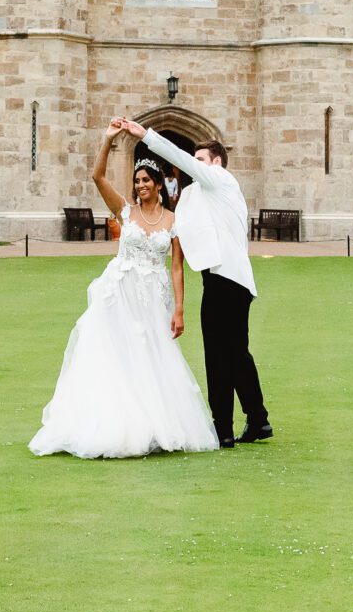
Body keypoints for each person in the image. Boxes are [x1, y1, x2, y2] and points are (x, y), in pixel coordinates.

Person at [28, 121, 220, 459]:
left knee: (149, 356)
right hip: (119, 292)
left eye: (146, 180)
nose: (140, 185)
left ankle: (153, 424)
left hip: (153, 295)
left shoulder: (173, 222)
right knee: (116, 355)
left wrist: (179, 309)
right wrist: (107, 140)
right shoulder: (125, 211)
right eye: (137, 180)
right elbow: (98, 177)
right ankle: (114, 423)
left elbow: (176, 267)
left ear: (159, 184)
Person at [116, 117, 271, 448]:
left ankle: (225, 428)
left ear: (215, 163)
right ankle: (258, 418)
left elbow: (183, 162)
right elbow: (178, 229)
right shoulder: (194, 195)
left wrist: (145, 135)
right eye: (196, 161)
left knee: (221, 355)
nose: (196, 166)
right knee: (233, 353)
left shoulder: (222, 181)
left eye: (201, 160)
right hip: (216, 279)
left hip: (229, 279)